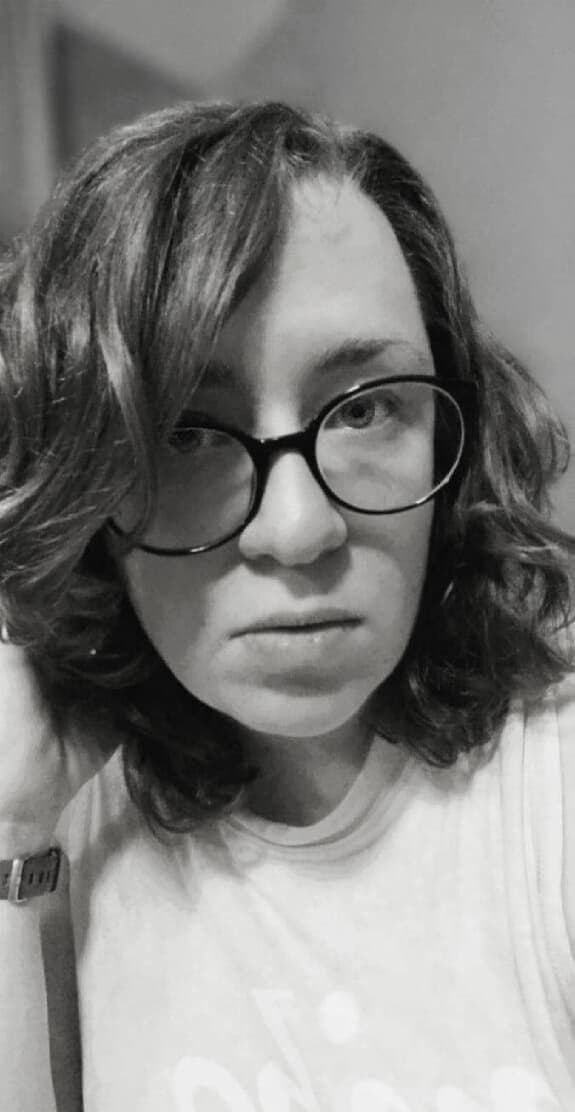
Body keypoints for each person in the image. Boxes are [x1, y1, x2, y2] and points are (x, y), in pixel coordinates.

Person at [0, 99, 574, 1112]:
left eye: (365, 409)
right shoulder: (61, 831)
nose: (297, 529)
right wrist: (13, 837)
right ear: (86, 484)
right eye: (185, 433)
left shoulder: (548, 785)